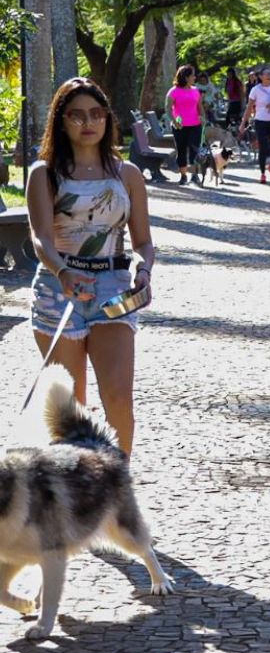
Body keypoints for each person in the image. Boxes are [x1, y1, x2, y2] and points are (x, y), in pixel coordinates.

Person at [23, 77, 157, 456]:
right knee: (72, 407)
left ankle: (118, 493)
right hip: (58, 289)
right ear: (61, 121)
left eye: (96, 114)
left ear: (107, 119)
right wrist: (64, 272)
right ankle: (79, 499)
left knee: (118, 399)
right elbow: (41, 239)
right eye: (77, 115)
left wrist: (143, 270)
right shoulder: (44, 173)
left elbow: (144, 242)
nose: (88, 123)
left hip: (113, 288)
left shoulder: (126, 174)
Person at [241, 67, 270, 183]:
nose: (269, 76)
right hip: (260, 121)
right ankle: (262, 174)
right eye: (266, 74)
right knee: (263, 147)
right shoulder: (256, 89)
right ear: (260, 77)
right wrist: (243, 123)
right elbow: (249, 107)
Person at [165, 65, 203, 186]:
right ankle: (183, 175)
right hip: (179, 126)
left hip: (195, 125)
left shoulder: (195, 90)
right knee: (181, 150)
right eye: (192, 75)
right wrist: (174, 120)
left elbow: (200, 106)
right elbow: (168, 108)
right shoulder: (173, 91)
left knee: (194, 150)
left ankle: (194, 175)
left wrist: (203, 117)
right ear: (186, 77)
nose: (195, 77)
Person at [224, 67, 245, 131]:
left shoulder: (237, 82)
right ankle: (230, 130)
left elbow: (241, 93)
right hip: (231, 102)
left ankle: (240, 131)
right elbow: (228, 93)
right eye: (228, 74)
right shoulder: (228, 82)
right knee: (229, 117)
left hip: (237, 101)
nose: (229, 75)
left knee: (237, 117)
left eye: (230, 74)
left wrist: (242, 103)